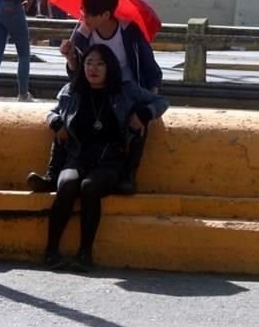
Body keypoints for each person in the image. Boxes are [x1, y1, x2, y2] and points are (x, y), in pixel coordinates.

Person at [43, 44, 168, 272]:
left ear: (110, 67)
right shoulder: (73, 90)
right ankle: (51, 251)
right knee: (69, 184)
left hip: (110, 160)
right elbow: (51, 111)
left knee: (90, 188)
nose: (93, 68)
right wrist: (56, 122)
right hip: (78, 156)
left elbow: (161, 102)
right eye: (89, 62)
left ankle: (85, 253)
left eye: (100, 63)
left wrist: (144, 114)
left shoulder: (125, 90)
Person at [28, 0, 163, 194]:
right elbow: (75, 75)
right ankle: (53, 175)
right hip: (92, 91)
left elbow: (151, 69)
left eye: (90, 14)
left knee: (135, 126)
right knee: (67, 117)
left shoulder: (129, 31)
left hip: (123, 93)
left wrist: (147, 106)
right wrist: (71, 57)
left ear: (106, 15)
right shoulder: (83, 32)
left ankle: (128, 176)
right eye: (83, 12)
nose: (85, 18)